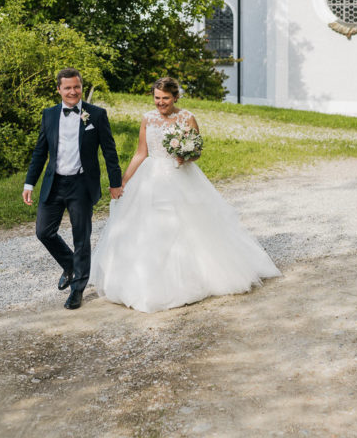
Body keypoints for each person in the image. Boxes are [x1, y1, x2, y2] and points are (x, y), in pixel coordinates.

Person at [91, 77, 280, 313]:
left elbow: (197, 153)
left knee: (189, 226)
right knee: (148, 228)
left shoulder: (187, 117)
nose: (161, 103)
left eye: (166, 99)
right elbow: (141, 153)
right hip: (150, 178)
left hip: (181, 176)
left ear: (176, 97)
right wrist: (123, 181)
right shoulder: (147, 118)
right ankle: (145, 281)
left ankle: (194, 278)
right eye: (157, 98)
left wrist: (186, 156)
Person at [23, 68, 123, 310]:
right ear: (58, 89)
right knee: (43, 232)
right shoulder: (48, 115)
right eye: (67, 88)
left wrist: (115, 182)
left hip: (81, 184)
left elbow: (109, 151)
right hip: (54, 182)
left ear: (81, 87)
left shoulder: (96, 115)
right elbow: (40, 152)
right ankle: (70, 265)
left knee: (81, 237)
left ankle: (77, 289)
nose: (73, 92)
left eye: (76, 87)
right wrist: (29, 183)